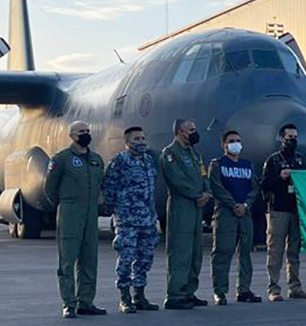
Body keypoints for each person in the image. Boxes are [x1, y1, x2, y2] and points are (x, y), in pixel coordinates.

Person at [44, 120, 105, 319]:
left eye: (88, 131)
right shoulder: (62, 159)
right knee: (67, 260)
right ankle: (68, 303)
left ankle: (86, 301)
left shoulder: (96, 159)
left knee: (90, 259)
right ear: (72, 135)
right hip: (70, 213)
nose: (86, 134)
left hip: (90, 214)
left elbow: (100, 184)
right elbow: (50, 188)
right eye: (81, 131)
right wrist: (65, 203)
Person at [101, 126, 160, 313]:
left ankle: (140, 295)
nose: (141, 142)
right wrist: (115, 211)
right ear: (127, 142)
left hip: (147, 219)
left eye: (143, 138)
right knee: (126, 259)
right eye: (137, 139)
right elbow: (109, 188)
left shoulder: (149, 162)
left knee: (145, 258)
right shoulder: (119, 162)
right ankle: (124, 297)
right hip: (127, 220)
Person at [160, 119, 211, 310]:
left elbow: (203, 175)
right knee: (180, 251)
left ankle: (189, 291)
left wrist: (207, 193)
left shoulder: (194, 154)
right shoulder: (170, 153)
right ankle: (175, 294)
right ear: (181, 131)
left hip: (196, 207)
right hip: (181, 207)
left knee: (195, 252)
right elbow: (176, 180)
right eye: (191, 130)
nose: (195, 133)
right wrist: (197, 194)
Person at [261, 123, 306, 302]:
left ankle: (295, 287)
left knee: (294, 251)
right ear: (282, 139)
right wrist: (280, 177)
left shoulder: (301, 159)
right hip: (278, 210)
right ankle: (274, 288)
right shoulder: (273, 160)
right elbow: (265, 185)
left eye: (295, 137)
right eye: (289, 137)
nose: (293, 140)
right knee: (275, 250)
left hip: (296, 210)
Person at [209, 130, 262, 305]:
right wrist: (233, 205)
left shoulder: (247, 165)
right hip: (225, 213)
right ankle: (220, 291)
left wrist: (245, 205)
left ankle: (244, 290)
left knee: (245, 253)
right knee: (223, 252)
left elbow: (254, 187)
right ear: (224, 145)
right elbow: (217, 188)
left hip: (245, 213)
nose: (235, 144)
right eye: (231, 141)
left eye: (238, 140)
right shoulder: (217, 164)